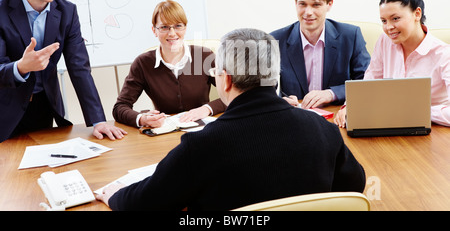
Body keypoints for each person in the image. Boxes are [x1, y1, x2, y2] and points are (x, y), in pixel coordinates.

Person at [97, 28, 366, 211]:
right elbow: (353, 187)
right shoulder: (322, 129)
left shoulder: (200, 146)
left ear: (224, 78)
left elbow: (145, 204)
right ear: (274, 75)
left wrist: (116, 196)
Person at [0, 0, 126, 142]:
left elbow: (79, 68)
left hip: (44, 108)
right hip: (4, 111)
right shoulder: (2, 10)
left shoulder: (67, 12)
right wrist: (21, 67)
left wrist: (98, 121)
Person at [335, 0, 450, 127]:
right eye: (384, 21)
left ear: (417, 14)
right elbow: (369, 84)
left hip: (433, 131)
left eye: (395, 19)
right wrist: (350, 106)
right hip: (390, 126)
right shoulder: (385, 41)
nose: (389, 27)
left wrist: (419, 112)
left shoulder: (444, 55)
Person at [112, 0, 226, 128]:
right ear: (154, 30)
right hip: (166, 132)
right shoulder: (143, 63)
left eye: (178, 26)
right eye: (164, 27)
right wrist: (143, 119)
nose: (172, 33)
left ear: (185, 28)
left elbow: (236, 94)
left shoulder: (204, 56)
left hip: (203, 130)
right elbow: (120, 108)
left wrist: (207, 109)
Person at [271, 0, 370, 109]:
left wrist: (332, 93)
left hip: (335, 116)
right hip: (295, 118)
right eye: (302, 4)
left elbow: (367, 83)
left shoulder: (351, 36)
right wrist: (280, 101)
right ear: (295, 3)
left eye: (316, 5)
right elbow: (263, 91)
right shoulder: (275, 40)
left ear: (329, 4)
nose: (308, 12)